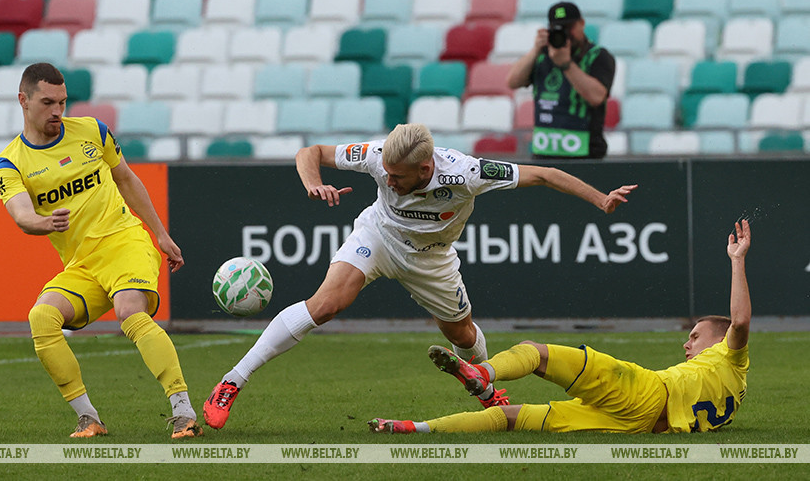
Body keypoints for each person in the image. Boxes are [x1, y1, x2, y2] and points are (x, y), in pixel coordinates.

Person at [203, 123, 638, 429]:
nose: (388, 180)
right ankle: (230, 382)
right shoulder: (379, 155)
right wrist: (313, 182)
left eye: (397, 177)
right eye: (385, 174)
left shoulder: (466, 172)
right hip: (378, 237)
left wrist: (600, 200)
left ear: (426, 168)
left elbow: (543, 174)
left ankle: (485, 387)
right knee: (327, 304)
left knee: (464, 335)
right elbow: (310, 153)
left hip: (432, 260)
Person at [369, 220, 752, 435]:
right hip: (644, 428)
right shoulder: (735, 387)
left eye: (695, 336)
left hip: (645, 393)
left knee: (536, 353)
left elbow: (741, 321)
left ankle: (481, 372)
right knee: (510, 419)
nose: (687, 344)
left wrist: (737, 261)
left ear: (720, 339)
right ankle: (413, 428)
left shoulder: (731, 354)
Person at [0, 63, 203, 439]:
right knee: (41, 318)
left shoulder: (92, 131)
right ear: (23, 101)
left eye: (63, 101)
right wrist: (44, 223)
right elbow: (22, 215)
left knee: (128, 312)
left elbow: (126, 179)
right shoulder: (9, 163)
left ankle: (183, 411)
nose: (58, 111)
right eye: (48, 102)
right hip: (83, 264)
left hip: (124, 241)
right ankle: (89, 418)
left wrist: (161, 235)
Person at [506, 1, 616, 159]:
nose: (566, 34)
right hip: (544, 153)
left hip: (585, 155)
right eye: (559, 29)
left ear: (581, 24)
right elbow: (513, 82)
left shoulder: (598, 56)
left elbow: (597, 97)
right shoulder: (543, 54)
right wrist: (535, 50)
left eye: (569, 27)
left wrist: (566, 65)